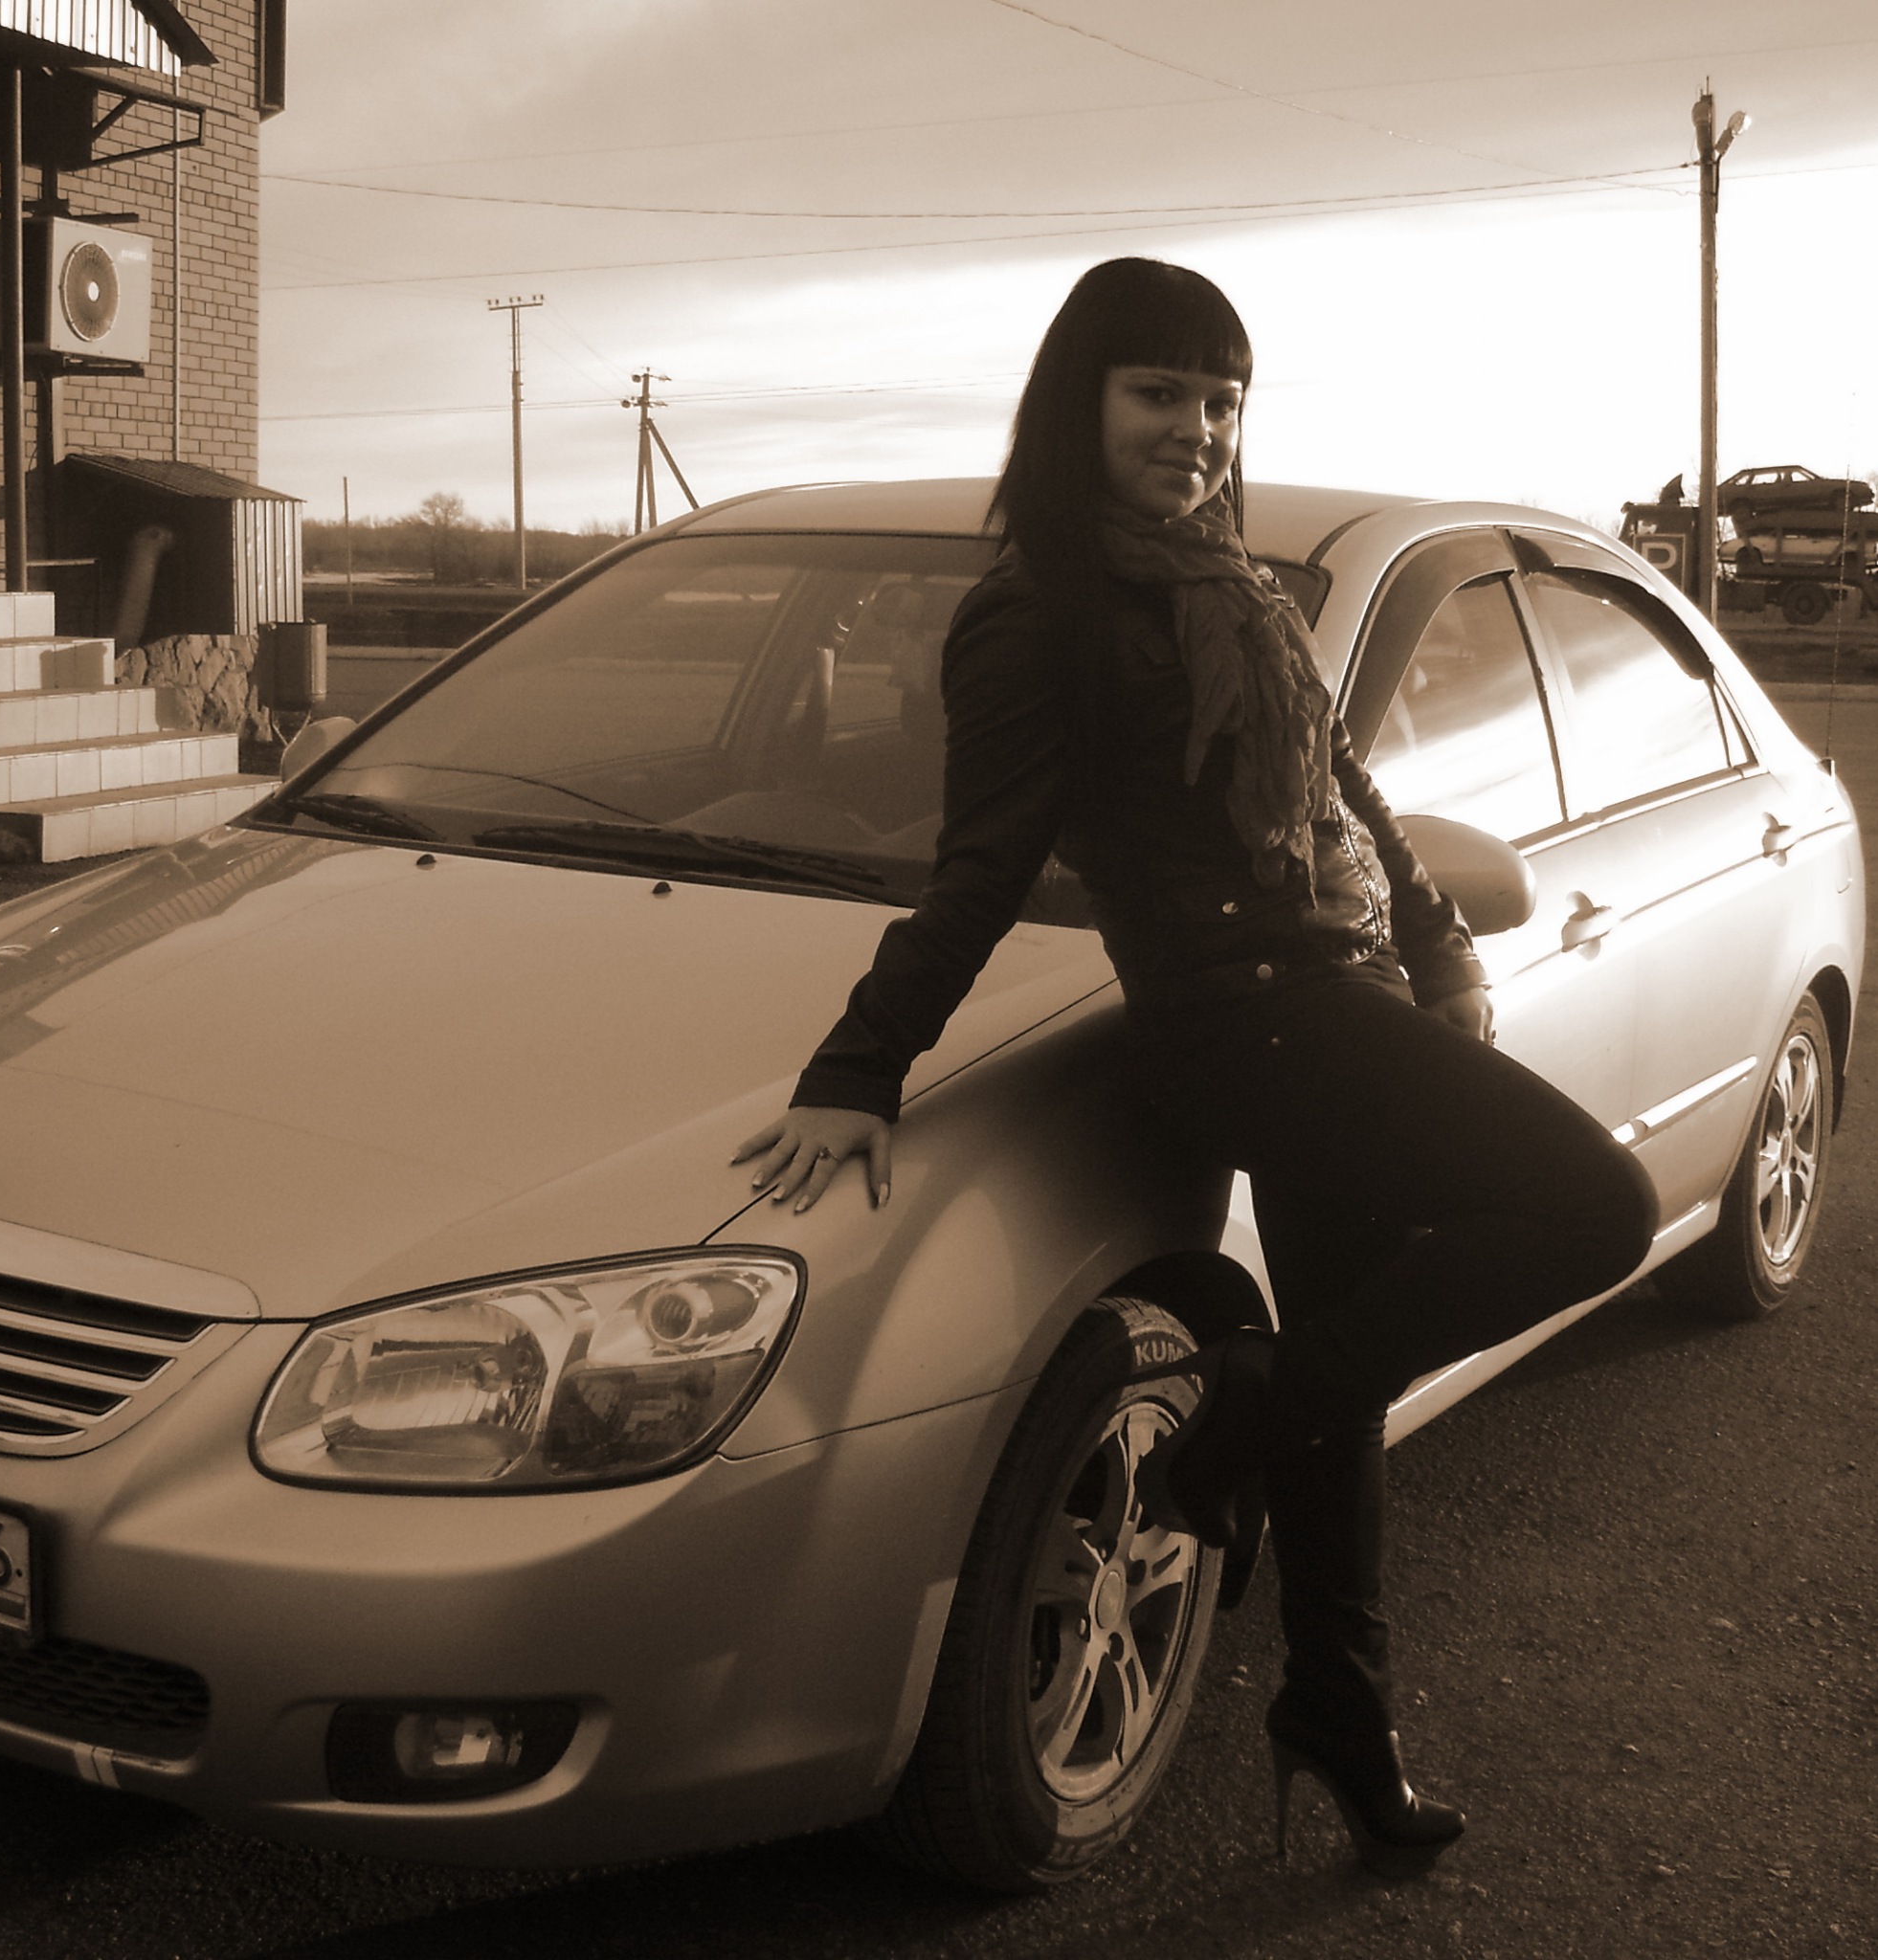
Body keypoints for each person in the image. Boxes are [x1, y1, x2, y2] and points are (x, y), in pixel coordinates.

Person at [732, 256, 1658, 1880]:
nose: (1198, 430)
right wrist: (856, 1066)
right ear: (1077, 403)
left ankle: (1340, 1712)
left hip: (1340, 996)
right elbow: (981, 869)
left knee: (1344, 1386)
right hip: (1245, 1024)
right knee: (1599, 1209)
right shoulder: (1036, 615)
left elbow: (1349, 786)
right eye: (1158, 393)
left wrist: (1439, 944)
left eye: (1222, 400)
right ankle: (1248, 1404)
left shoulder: (1237, 589)